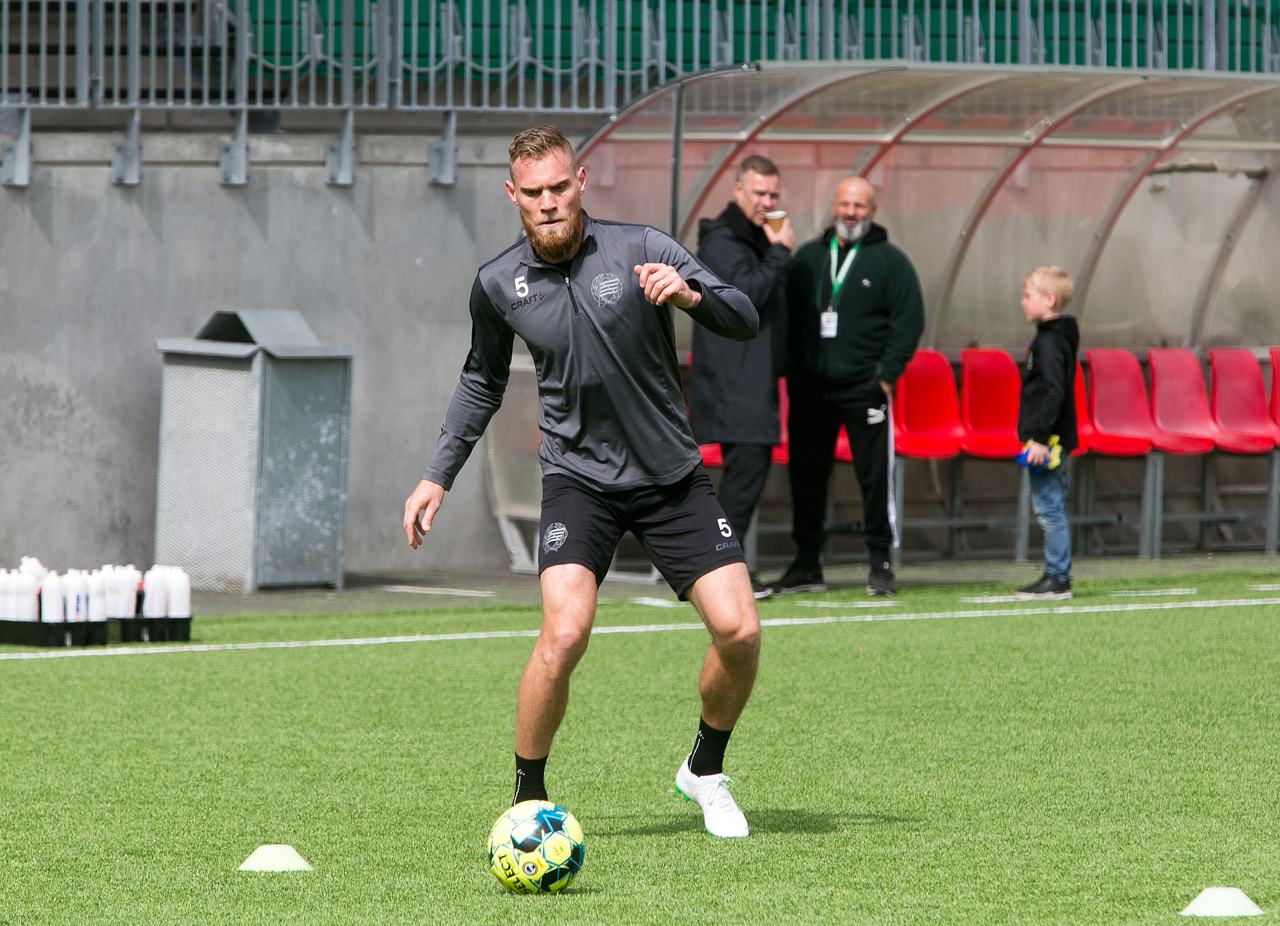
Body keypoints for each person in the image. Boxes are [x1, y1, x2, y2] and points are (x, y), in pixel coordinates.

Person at [402, 126, 762, 838]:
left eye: (560, 187)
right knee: (564, 634)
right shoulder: (497, 284)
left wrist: (689, 295)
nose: (549, 203)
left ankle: (704, 770)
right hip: (579, 481)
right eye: (534, 192)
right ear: (513, 195)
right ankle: (526, 800)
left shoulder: (642, 247)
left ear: (582, 182)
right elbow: (480, 381)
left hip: (670, 477)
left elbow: (745, 317)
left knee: (740, 630)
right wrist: (436, 474)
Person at [773, 176, 923, 597]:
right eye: (844, 204)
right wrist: (791, 366)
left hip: (864, 388)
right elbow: (786, 315)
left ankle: (880, 564)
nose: (850, 212)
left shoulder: (891, 262)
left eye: (859, 205)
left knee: (874, 478)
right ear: (833, 206)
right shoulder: (808, 258)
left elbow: (909, 321)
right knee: (806, 477)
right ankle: (807, 564)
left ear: (873, 210)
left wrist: (886, 375)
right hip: (809, 389)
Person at [690, 155, 796, 600]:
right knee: (745, 471)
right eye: (759, 194)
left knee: (747, 470)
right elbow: (746, 294)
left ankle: (723, 569)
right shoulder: (722, 239)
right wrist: (781, 251)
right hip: (733, 381)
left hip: (754, 377)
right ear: (738, 192)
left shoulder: (756, 237)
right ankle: (723, 571)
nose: (767, 203)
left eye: (774, 195)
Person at [1013, 266, 1079, 601]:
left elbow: (1054, 391)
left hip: (1048, 440)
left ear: (1049, 299)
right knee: (1051, 504)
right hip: (1050, 436)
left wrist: (1039, 438)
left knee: (1049, 507)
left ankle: (1057, 577)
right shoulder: (1053, 336)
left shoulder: (1051, 341)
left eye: (1028, 296)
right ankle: (1057, 574)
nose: (1023, 302)